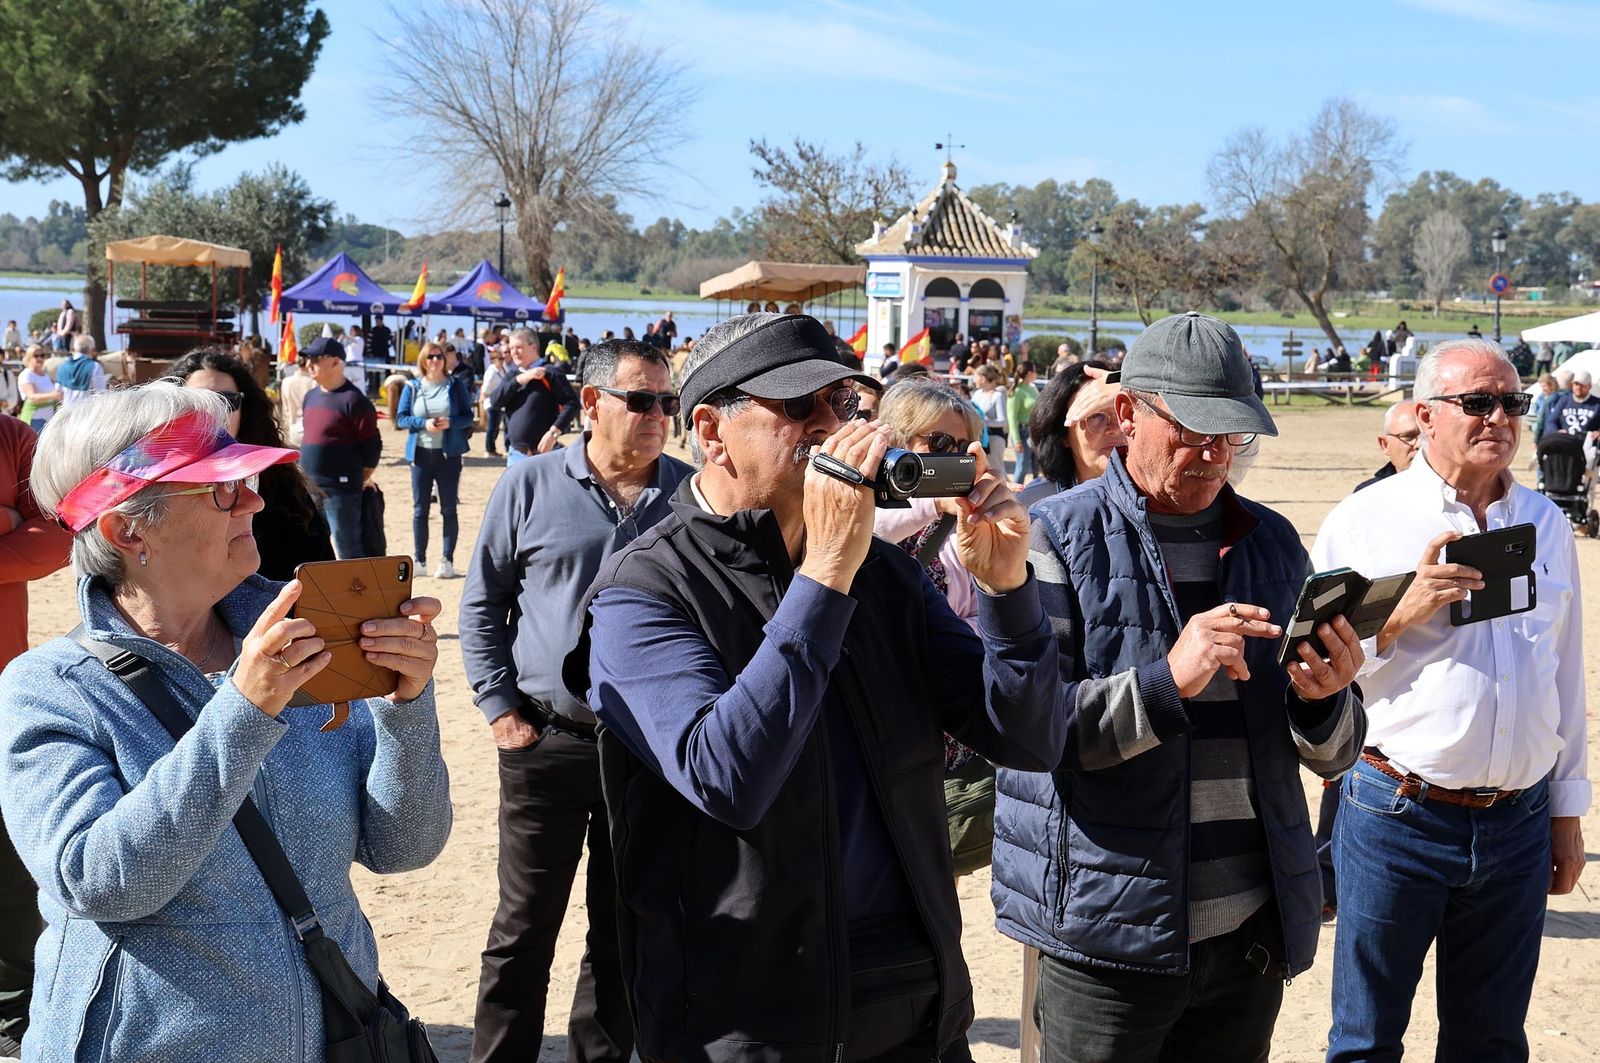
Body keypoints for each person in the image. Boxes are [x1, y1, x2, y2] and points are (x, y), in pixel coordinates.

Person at [569, 312, 1069, 1062]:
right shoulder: (644, 589)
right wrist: (827, 570)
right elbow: (728, 775)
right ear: (711, 432)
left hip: (917, 1011)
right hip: (749, 1025)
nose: (832, 425)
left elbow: (1030, 737)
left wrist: (1007, 594)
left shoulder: (885, 575)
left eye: (842, 403)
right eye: (799, 406)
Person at [0, 385, 451, 1062]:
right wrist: (243, 711)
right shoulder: (52, 689)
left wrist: (405, 707)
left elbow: (403, 846)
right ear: (129, 529)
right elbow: (100, 882)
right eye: (221, 488)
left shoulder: (300, 636)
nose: (255, 500)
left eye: (246, 478)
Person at [999, 311, 1366, 1063]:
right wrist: (1171, 678)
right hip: (1106, 939)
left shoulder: (1272, 543)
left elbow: (1332, 756)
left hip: (1248, 940)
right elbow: (1033, 733)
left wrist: (1326, 698)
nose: (1212, 453)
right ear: (1125, 414)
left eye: (1230, 434)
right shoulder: (1053, 538)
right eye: (1193, 429)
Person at [1310, 339, 1587, 1062]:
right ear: (1426, 415)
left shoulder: (1546, 522)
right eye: (1477, 402)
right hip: (1397, 813)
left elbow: (1565, 675)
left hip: (1518, 821)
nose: (1499, 416)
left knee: (1491, 1042)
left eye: (1512, 402)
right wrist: (1397, 614)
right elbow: (1308, 666)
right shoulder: (1365, 519)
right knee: (1367, 1040)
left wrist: (1566, 811)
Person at [461, 339, 692, 1063]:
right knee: (524, 929)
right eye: (642, 399)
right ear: (591, 403)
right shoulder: (527, 484)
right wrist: (501, 710)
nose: (659, 415)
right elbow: (480, 605)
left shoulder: (691, 496)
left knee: (624, 930)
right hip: (545, 741)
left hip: (649, 755)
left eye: (668, 401)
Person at [0, 414, 72, 1057]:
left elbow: (55, 537)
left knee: (9, 860)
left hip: (1, 678)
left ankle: (9, 1014)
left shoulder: (12, 438)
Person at [164, 349, 334, 582]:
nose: (214, 412)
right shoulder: (152, 491)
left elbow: (322, 576)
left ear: (245, 410)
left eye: (227, 401)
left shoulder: (282, 489)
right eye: (199, 402)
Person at [299, 337, 381, 559]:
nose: (309, 364)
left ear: (335, 362)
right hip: (309, 488)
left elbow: (372, 449)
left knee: (348, 547)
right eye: (308, 359)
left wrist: (355, 477)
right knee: (313, 548)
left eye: (315, 359)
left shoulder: (354, 401)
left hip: (341, 490)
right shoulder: (310, 396)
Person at [398, 342, 473, 579]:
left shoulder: (455, 384)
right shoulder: (412, 386)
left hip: (448, 455)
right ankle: (419, 560)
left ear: (445, 359)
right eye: (430, 357)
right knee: (420, 509)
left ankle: (446, 560)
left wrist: (451, 422)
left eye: (439, 356)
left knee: (449, 508)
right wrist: (423, 424)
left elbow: (468, 417)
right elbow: (401, 418)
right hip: (420, 454)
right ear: (423, 360)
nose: (434, 361)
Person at [1017, 361, 1124, 508]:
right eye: (1096, 416)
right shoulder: (1034, 504)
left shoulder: (1160, 499)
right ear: (1063, 435)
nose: (1117, 428)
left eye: (1124, 413)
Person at [493, 327, 580, 464]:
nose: (514, 352)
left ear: (533, 347)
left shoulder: (550, 373)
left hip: (544, 454)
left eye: (519, 347)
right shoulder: (513, 376)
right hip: (516, 454)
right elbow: (495, 401)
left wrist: (553, 434)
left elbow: (572, 403)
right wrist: (520, 380)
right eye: (511, 348)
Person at [1354, 401, 1420, 492]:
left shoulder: (1446, 493)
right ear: (1385, 444)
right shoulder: (1367, 496)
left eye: (1426, 437)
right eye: (1408, 437)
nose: (1420, 444)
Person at [970, 364, 1008, 475]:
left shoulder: (998, 396)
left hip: (994, 439)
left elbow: (1003, 421)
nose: (974, 379)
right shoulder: (976, 394)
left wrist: (983, 422)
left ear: (983, 378)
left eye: (976, 376)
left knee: (996, 470)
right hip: (979, 439)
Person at [1007, 363, 1040, 482]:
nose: (1036, 373)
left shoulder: (1032, 388)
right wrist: (1016, 440)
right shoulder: (1016, 391)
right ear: (1029, 373)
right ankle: (1015, 496)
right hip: (1022, 432)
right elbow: (1012, 417)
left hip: (1034, 431)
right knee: (1022, 467)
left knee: (1037, 465)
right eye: (1035, 371)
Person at [18, 346, 62, 432]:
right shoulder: (26, 374)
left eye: (42, 355)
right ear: (29, 358)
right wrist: (53, 396)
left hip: (49, 419)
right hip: (34, 419)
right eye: (36, 355)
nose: (40, 358)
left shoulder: (45, 374)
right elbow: (32, 397)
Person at [278, 354, 317, 448]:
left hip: (292, 431)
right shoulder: (314, 383)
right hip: (311, 432)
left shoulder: (286, 382)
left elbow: (285, 410)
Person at [57, 333, 106, 407]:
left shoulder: (62, 366)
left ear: (74, 349)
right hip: (84, 414)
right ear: (93, 349)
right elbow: (101, 394)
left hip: (65, 414)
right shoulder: (95, 366)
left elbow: (58, 393)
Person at [480, 344, 508, 457]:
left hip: (499, 403)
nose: (502, 361)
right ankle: (489, 449)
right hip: (492, 403)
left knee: (495, 428)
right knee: (492, 428)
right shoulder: (491, 372)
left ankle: (492, 448)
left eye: (503, 359)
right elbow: (485, 389)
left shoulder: (500, 371)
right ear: (493, 360)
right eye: (500, 359)